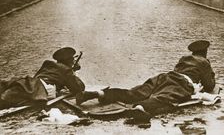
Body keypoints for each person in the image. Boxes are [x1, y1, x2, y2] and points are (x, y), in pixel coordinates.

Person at [76, 40, 215, 123]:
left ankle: (97, 94)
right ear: (205, 52)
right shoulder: (204, 61)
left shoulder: (184, 58)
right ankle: (140, 109)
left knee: (135, 92)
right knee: (162, 97)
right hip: (181, 83)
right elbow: (209, 86)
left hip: (165, 76)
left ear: (192, 52)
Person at [0, 47, 85, 110]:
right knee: (5, 100)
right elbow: (78, 88)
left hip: (28, 83)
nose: (73, 60)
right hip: (40, 89)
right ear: (69, 60)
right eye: (72, 59)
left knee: (6, 96)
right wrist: (74, 74)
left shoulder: (48, 64)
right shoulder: (66, 70)